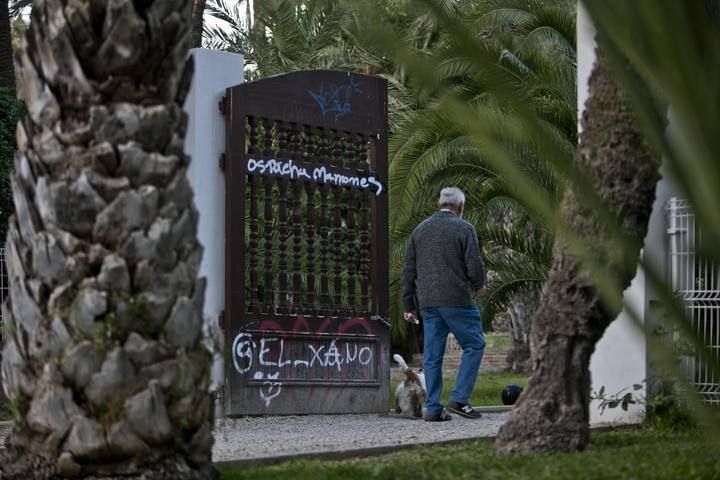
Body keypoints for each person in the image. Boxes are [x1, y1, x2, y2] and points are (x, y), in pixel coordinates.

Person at [401, 187, 486, 422]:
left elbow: (408, 270)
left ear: (438, 204)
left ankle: (433, 408)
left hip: (428, 303)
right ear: (460, 207)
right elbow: (473, 263)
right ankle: (459, 399)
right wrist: (479, 284)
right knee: (475, 344)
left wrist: (408, 305)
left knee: (432, 355)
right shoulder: (464, 228)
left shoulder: (420, 230)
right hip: (457, 299)